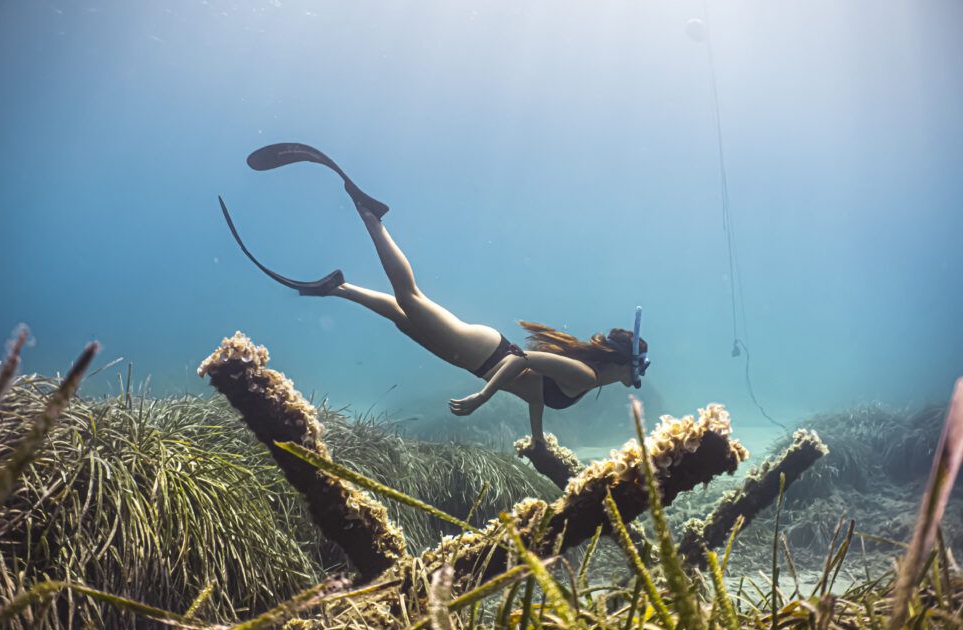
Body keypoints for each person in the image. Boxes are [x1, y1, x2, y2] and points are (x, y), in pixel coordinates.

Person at [218, 142, 650, 450]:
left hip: (481, 355)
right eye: (641, 366)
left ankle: (339, 287)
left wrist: (537, 440)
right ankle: (371, 216)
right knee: (409, 297)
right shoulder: (589, 378)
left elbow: (534, 390)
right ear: (626, 362)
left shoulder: (586, 380)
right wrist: (483, 398)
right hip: (482, 352)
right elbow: (523, 362)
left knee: (403, 315)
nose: (640, 376)